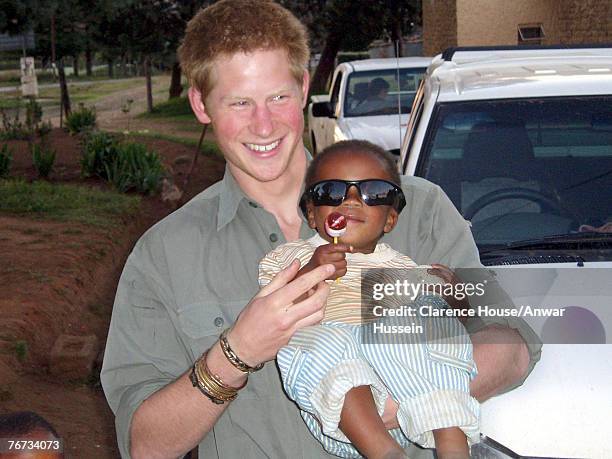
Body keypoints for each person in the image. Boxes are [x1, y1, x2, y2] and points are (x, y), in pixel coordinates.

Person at [100, 1, 542, 458]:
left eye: (278, 98)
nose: (264, 125)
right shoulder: (164, 254)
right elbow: (145, 444)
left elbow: (512, 343)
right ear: (200, 104)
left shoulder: (418, 209)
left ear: (305, 87)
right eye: (240, 103)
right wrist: (237, 352)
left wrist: (403, 399)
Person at [259, 140, 479, 459]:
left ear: (389, 220)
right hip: (342, 404)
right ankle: (385, 453)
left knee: (426, 318)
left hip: (404, 389)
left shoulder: (402, 267)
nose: (350, 201)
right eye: (331, 192)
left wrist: (451, 294)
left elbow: (459, 321)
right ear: (311, 213)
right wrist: (311, 271)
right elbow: (276, 310)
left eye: (373, 193)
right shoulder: (290, 257)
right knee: (324, 338)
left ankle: (452, 442)